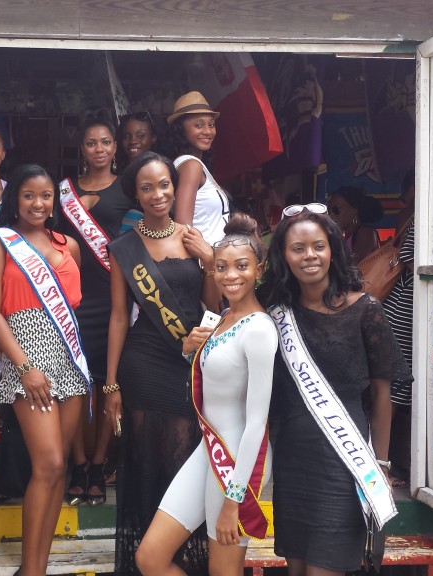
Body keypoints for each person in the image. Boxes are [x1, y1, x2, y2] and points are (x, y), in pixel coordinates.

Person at [259, 203, 408, 576]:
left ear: (333, 249)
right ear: (284, 256)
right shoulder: (272, 311)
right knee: (295, 569)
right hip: (293, 462)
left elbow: (381, 395)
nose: (309, 256)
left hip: (345, 462)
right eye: (298, 248)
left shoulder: (365, 309)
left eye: (318, 246)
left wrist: (383, 464)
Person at [136, 214, 277, 576]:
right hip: (207, 452)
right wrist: (189, 349)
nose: (230, 275)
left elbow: (257, 422)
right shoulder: (222, 317)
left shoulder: (260, 329)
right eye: (221, 267)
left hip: (236, 463)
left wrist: (234, 500)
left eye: (241, 267)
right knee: (150, 558)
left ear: (259, 271)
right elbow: (215, 375)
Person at [104, 152, 220, 575]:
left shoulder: (194, 238)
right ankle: (147, 564)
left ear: (175, 185)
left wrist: (209, 261)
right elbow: (119, 317)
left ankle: (177, 559)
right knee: (147, 465)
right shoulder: (124, 248)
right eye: (147, 188)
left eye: (165, 185)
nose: (158, 194)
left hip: (188, 364)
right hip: (144, 364)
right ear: (136, 194)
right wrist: (112, 384)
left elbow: (212, 305)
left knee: (182, 463)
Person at [0, 164, 90, 576]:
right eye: (28, 195)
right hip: (28, 357)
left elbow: (75, 307)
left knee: (59, 468)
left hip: (70, 359)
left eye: (46, 196)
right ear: (15, 199)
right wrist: (24, 366)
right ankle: (31, 569)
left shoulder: (69, 245)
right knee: (47, 464)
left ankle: (35, 566)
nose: (38, 203)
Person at [59, 115, 133, 507]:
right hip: (71, 296)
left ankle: (99, 463)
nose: (99, 149)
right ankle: (77, 462)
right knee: (74, 383)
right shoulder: (63, 192)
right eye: (91, 143)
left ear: (115, 147)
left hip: (112, 296)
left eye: (106, 142)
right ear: (82, 148)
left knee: (107, 384)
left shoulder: (127, 190)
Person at [381, 169, 416, 487]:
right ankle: (383, 461)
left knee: (396, 385)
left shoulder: (414, 214)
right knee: (394, 386)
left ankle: (389, 461)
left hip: (402, 308)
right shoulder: (419, 216)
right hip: (405, 308)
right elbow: (407, 257)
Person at [161, 91, 231, 245]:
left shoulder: (187, 164)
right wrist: (206, 260)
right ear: (180, 129)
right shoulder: (190, 166)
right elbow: (183, 228)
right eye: (198, 125)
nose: (207, 131)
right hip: (205, 262)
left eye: (211, 125)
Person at [326, 185, 383, 261]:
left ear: (354, 210)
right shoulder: (345, 236)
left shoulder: (366, 232)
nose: (331, 214)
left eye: (336, 209)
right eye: (329, 210)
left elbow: (357, 266)